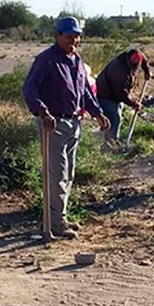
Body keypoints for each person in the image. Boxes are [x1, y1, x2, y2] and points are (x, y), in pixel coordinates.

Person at [22, 16, 110, 239]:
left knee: (68, 173)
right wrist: (43, 112)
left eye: (76, 36)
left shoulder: (77, 61)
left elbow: (86, 93)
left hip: (74, 122)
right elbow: (29, 89)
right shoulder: (46, 60)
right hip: (53, 124)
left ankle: (59, 216)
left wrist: (97, 112)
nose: (73, 39)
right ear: (57, 36)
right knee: (56, 173)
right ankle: (55, 222)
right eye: (68, 35)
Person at [95, 49, 153, 142]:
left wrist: (147, 71)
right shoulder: (119, 71)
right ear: (128, 60)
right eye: (133, 66)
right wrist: (134, 103)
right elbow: (122, 93)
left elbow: (143, 59)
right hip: (106, 95)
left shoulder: (136, 55)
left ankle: (108, 138)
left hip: (116, 95)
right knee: (114, 119)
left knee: (117, 114)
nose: (134, 68)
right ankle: (110, 143)